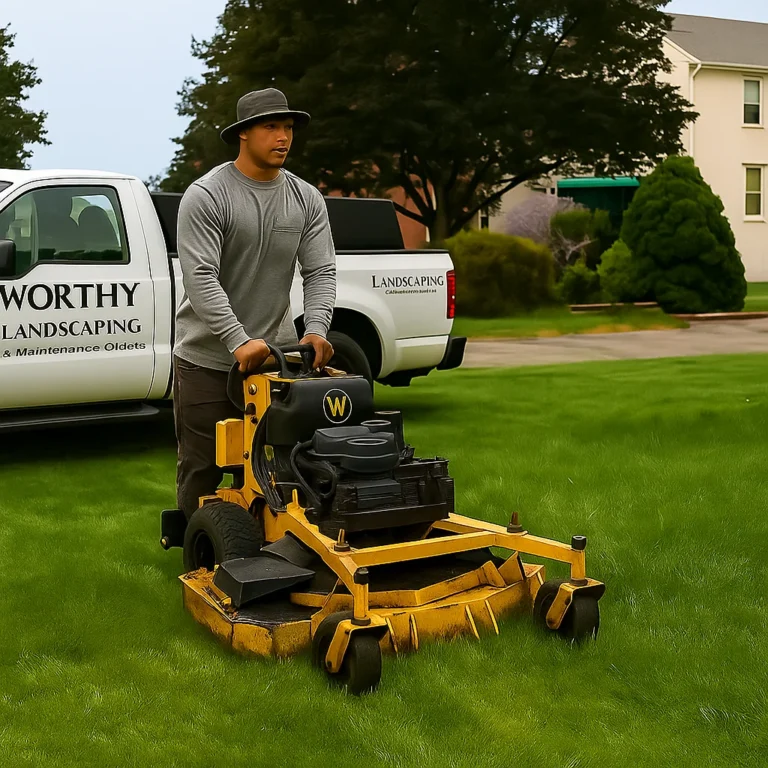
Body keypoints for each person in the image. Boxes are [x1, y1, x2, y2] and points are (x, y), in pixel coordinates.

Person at [173, 88, 336, 520]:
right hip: (208, 359)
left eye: (288, 128)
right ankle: (200, 554)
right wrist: (237, 339)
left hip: (276, 360)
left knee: (283, 464)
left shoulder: (306, 198)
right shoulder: (208, 195)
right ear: (244, 134)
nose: (283, 137)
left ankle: (274, 552)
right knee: (204, 466)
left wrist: (316, 328)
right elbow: (200, 276)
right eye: (271, 127)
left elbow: (320, 270)